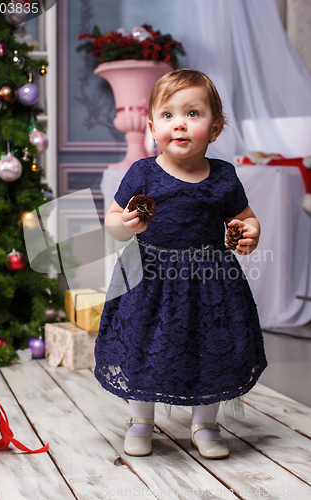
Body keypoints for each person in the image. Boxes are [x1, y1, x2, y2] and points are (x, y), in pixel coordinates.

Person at [94, 69, 267, 459]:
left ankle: (204, 423)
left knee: (213, 347)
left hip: (211, 281)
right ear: (152, 127)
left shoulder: (223, 176)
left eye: (193, 113)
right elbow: (113, 221)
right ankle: (140, 419)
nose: (180, 124)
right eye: (168, 116)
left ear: (216, 127)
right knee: (143, 344)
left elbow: (246, 218)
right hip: (148, 278)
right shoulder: (143, 173)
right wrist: (125, 225)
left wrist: (250, 231)